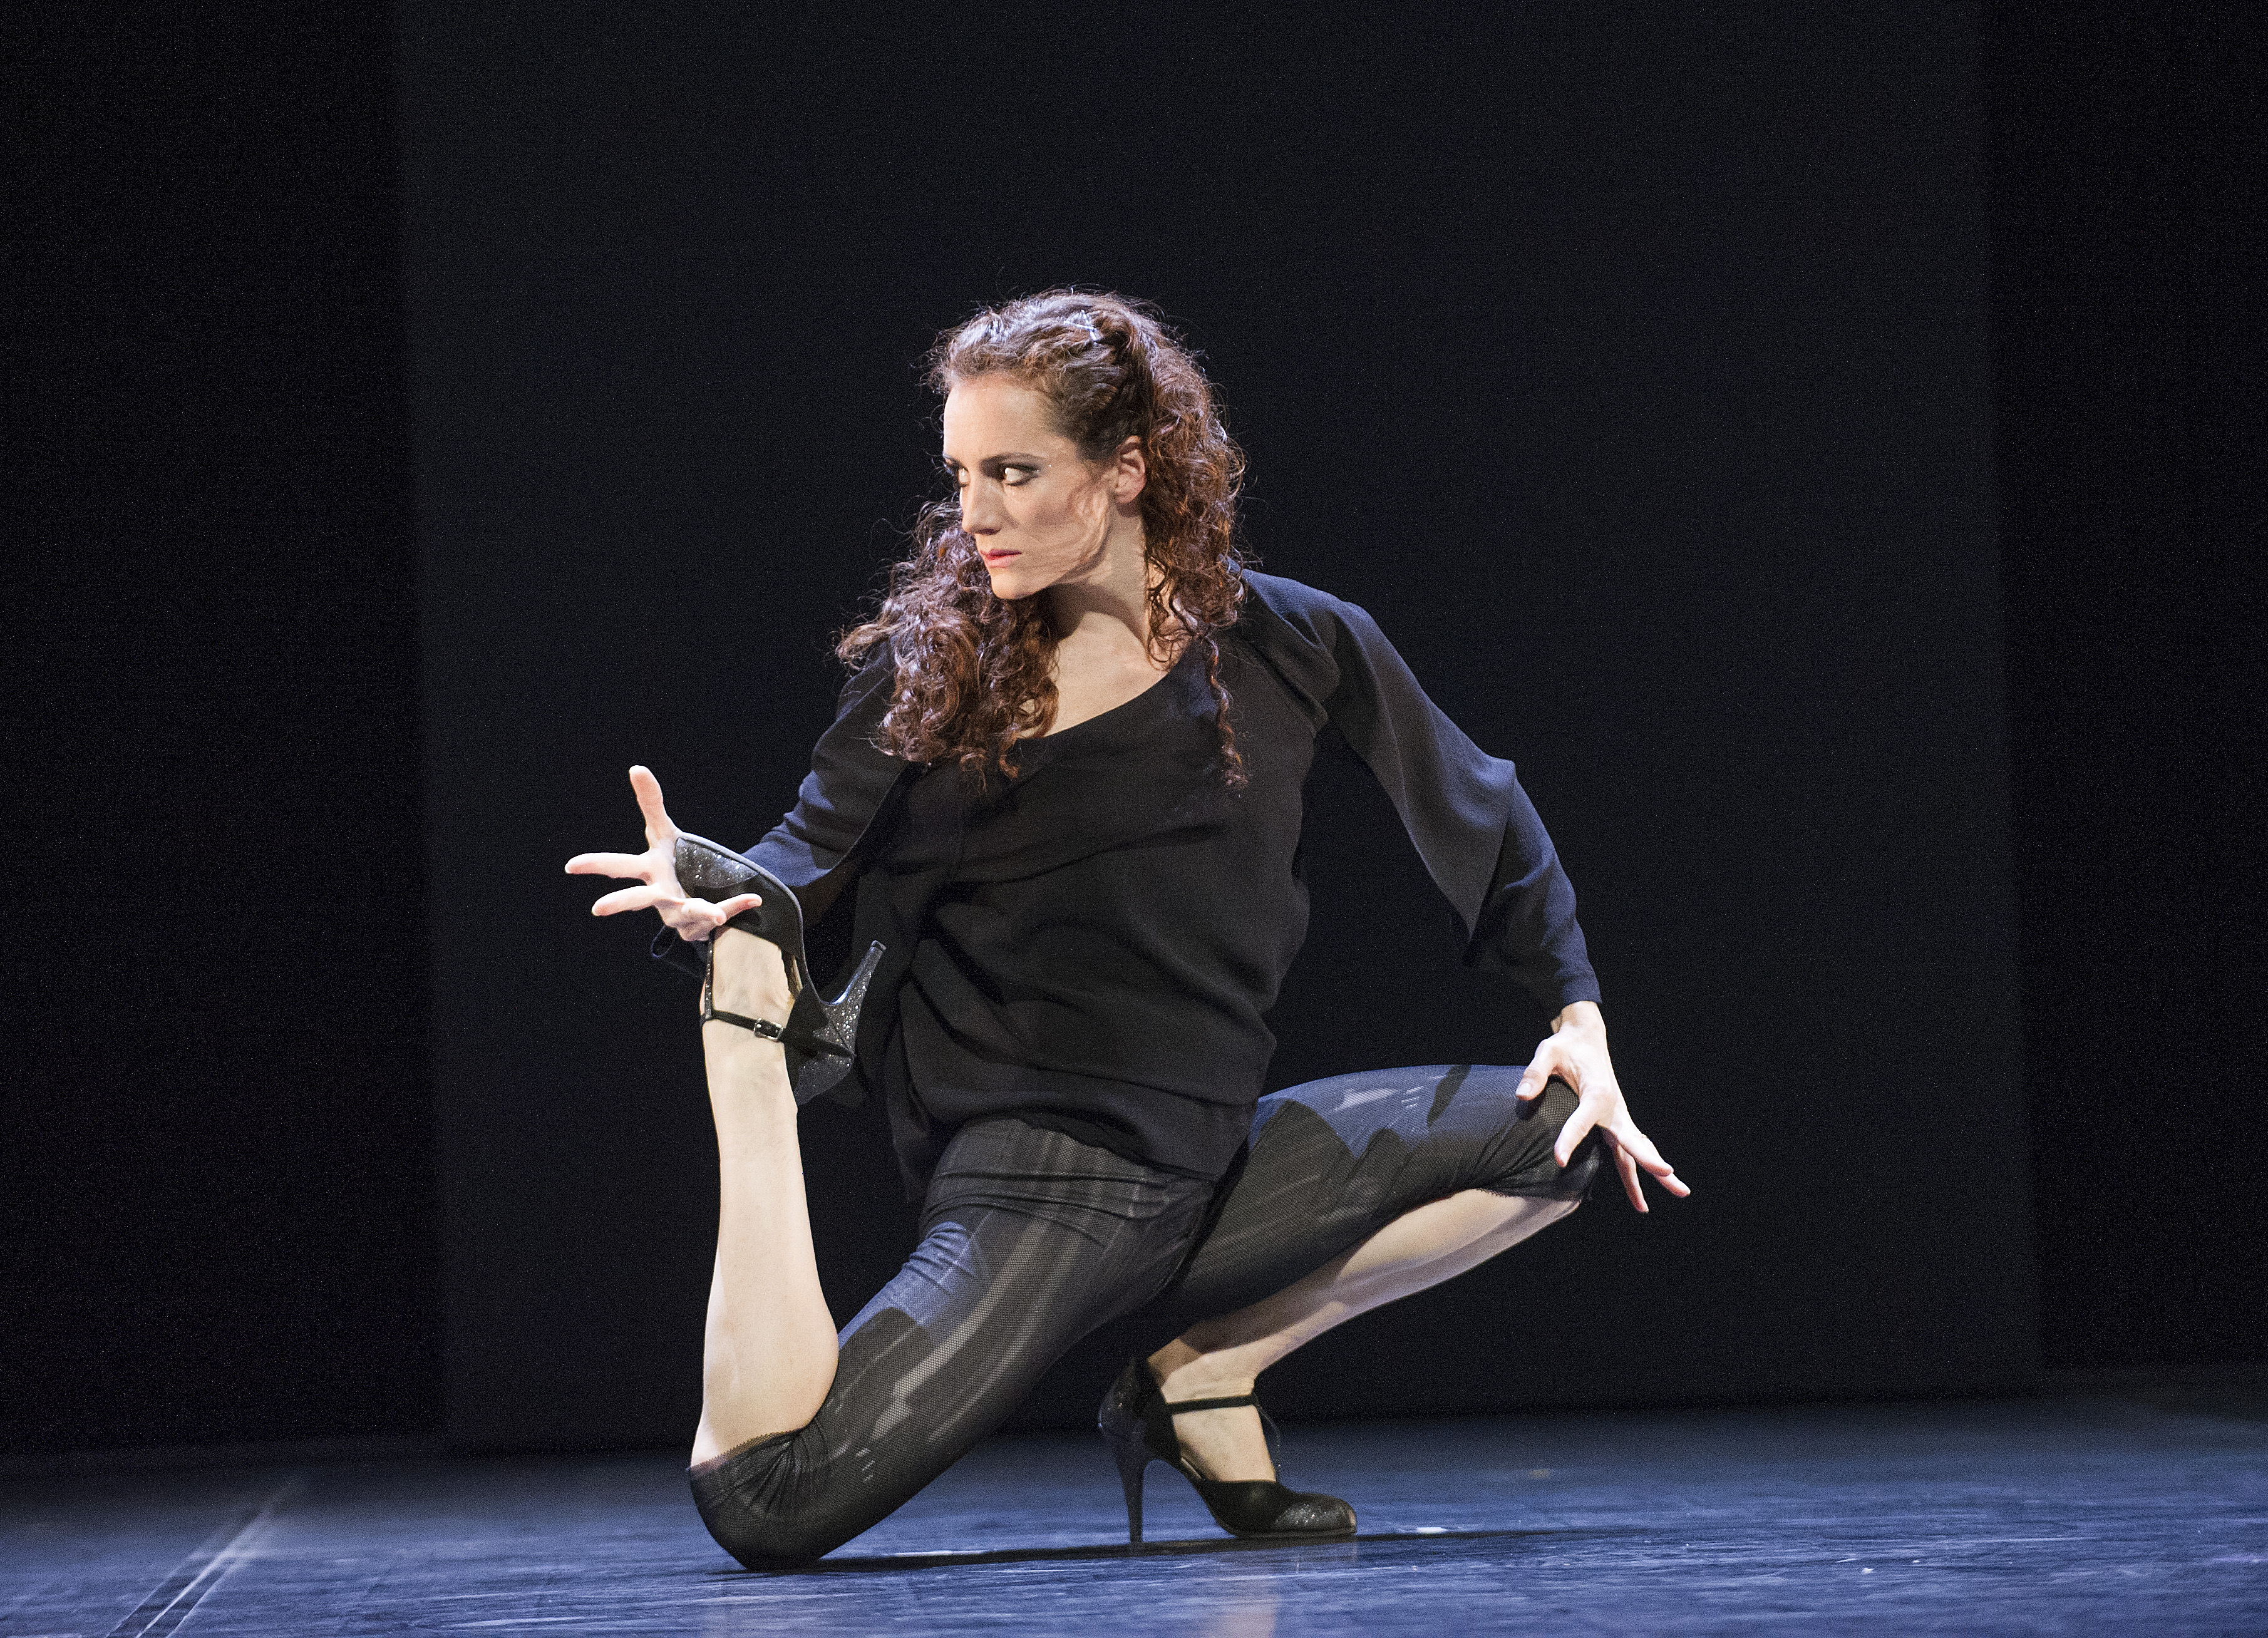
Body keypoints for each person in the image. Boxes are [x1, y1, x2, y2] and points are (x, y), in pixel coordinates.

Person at [567, 291, 1686, 1570]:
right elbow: (799, 857)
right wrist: (711, 890)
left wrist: (1579, 1018)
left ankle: (1198, 1381)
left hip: (1210, 1161)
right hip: (1041, 1186)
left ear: (1126, 471)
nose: (974, 511)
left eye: (1013, 473)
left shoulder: (1293, 642)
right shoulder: (938, 671)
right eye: (960, 476)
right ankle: (745, 1067)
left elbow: (1481, 811)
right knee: (772, 1501)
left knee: (1567, 1132)